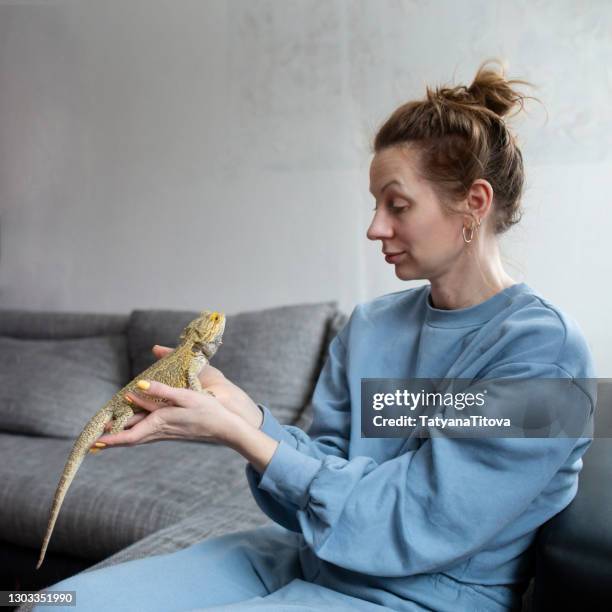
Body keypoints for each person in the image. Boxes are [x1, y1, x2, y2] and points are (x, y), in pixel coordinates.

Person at [33, 59, 597, 612]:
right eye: (376, 205)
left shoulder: (546, 356)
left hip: (421, 594)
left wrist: (239, 436)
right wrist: (248, 416)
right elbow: (327, 463)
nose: (375, 227)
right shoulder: (372, 325)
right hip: (305, 556)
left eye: (397, 205)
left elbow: (419, 517)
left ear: (474, 203)